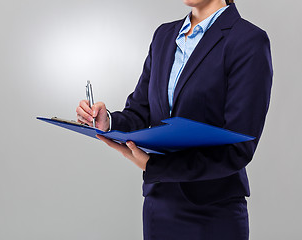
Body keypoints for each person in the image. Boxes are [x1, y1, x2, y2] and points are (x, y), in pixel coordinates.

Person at [76, 0, 273, 239]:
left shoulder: (248, 40)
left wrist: (155, 166)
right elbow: (140, 112)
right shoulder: (164, 36)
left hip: (212, 212)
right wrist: (107, 121)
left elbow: (238, 147)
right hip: (158, 207)